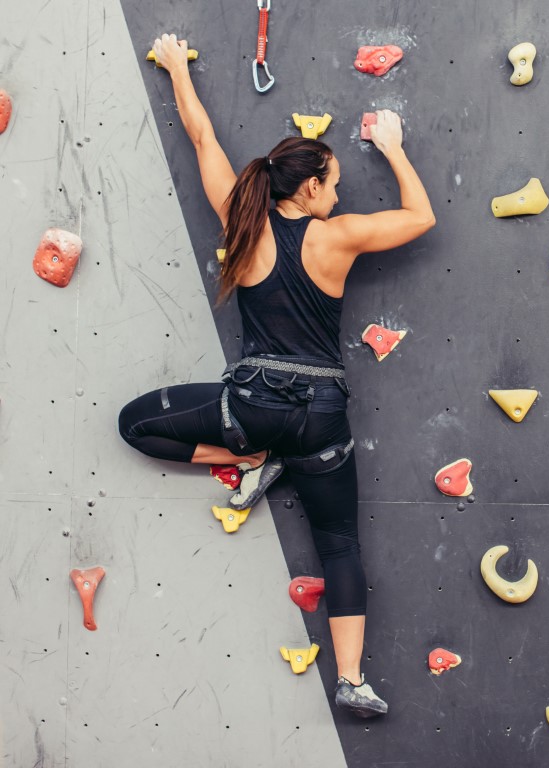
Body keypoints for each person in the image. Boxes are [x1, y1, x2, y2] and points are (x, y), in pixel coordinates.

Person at [118, 33, 435, 718]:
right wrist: (392, 146)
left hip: (253, 407)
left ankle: (255, 457)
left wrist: (176, 67)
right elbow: (421, 217)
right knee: (340, 546)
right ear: (312, 186)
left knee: (134, 424)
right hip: (322, 415)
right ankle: (352, 681)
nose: (339, 191)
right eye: (335, 182)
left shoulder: (245, 219)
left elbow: (203, 141)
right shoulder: (339, 235)